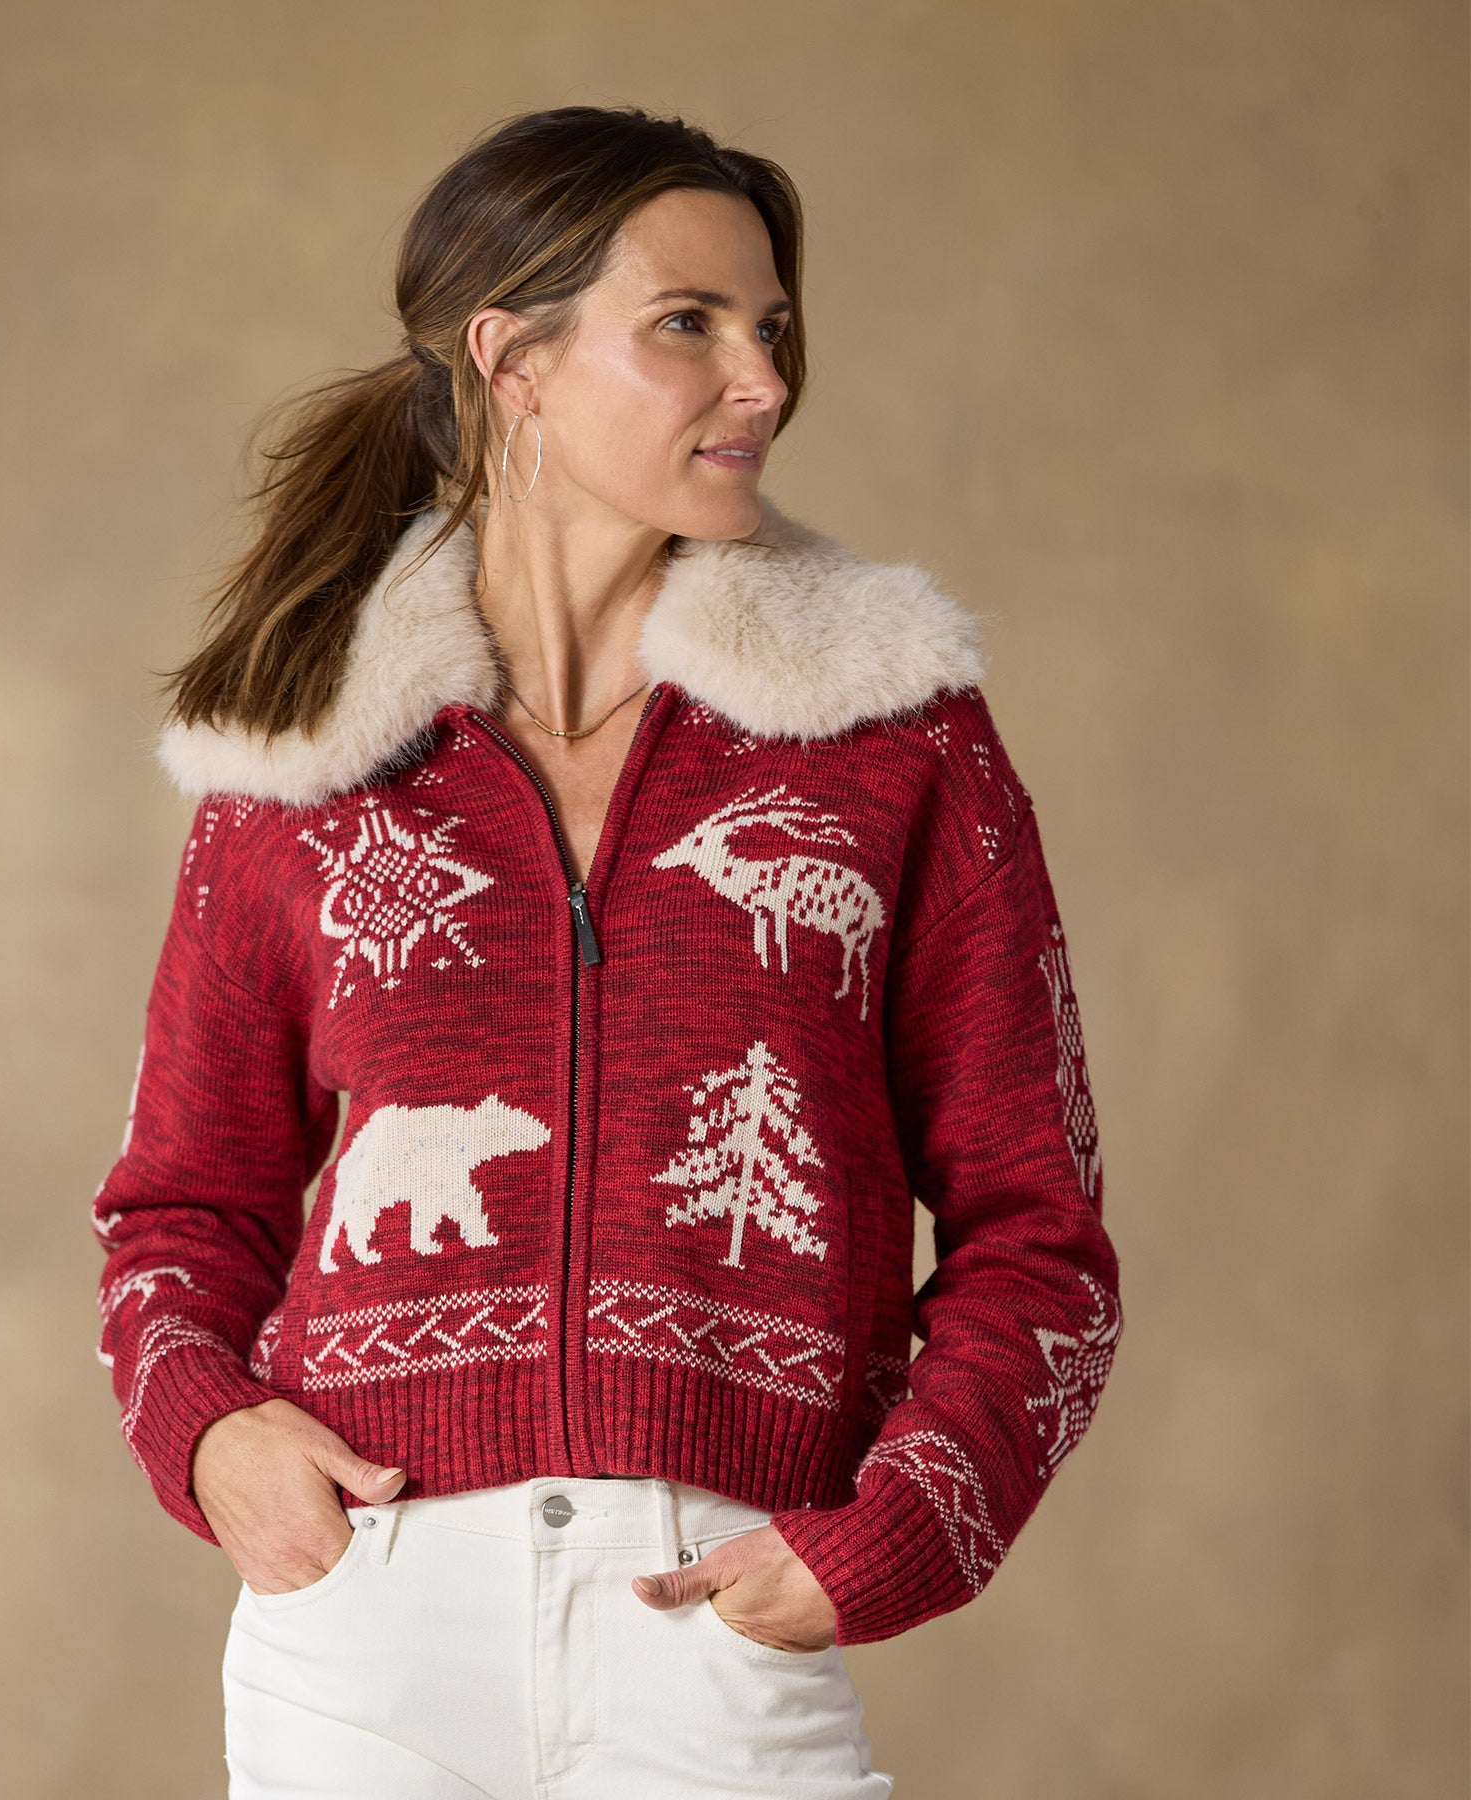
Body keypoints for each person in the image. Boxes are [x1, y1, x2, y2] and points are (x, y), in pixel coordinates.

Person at [89, 103, 1123, 1799]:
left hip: (711, 1614)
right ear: (514, 362)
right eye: (689, 324)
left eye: (771, 326)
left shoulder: (892, 732)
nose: (763, 379)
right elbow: (177, 1206)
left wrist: (894, 1530)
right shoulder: (306, 751)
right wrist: (210, 1435)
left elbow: (1041, 1233)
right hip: (370, 1626)